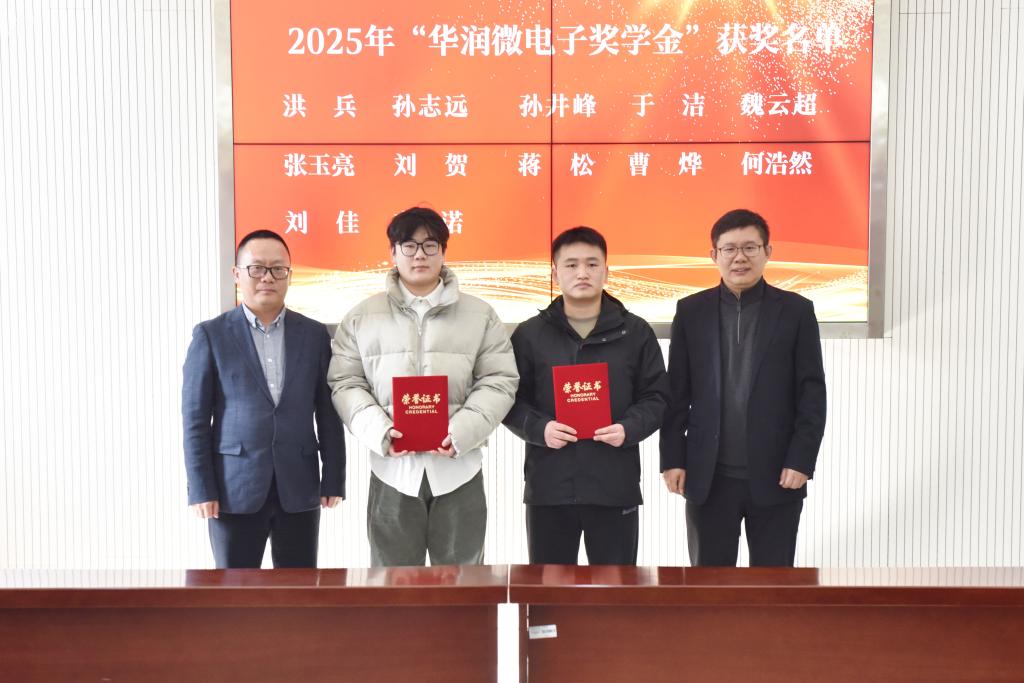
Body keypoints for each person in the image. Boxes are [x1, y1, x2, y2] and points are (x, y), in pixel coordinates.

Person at [328, 207, 518, 567]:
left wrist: (462, 432)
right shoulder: (361, 317)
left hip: (460, 470)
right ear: (392, 252)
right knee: (392, 587)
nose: (419, 255)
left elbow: (499, 379)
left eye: (430, 245)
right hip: (391, 473)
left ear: (443, 251)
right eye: (409, 245)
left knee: (463, 586)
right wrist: (379, 431)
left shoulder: (480, 315)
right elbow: (345, 381)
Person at [660, 209, 826, 567]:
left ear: (768, 252)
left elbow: (812, 394)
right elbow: (676, 393)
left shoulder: (796, 311)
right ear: (714, 255)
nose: (740, 257)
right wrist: (672, 458)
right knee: (709, 585)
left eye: (750, 247)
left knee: (773, 584)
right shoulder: (690, 312)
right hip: (709, 476)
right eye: (729, 249)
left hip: (778, 475)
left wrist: (801, 460)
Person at [503, 226, 669, 565]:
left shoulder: (635, 332)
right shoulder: (530, 335)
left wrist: (628, 429)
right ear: (555, 272)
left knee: (615, 589)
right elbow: (508, 400)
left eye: (592, 264)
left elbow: (657, 397)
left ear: (607, 271)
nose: (582, 273)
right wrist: (540, 429)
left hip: (613, 484)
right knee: (549, 589)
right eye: (571, 264)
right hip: (549, 486)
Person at [182, 229, 345, 568]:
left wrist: (333, 477)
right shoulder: (211, 335)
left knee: (299, 590)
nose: (267, 277)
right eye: (256, 268)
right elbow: (195, 420)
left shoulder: (314, 335)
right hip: (233, 488)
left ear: (289, 274)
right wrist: (201, 488)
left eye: (277, 269)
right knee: (235, 591)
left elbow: (328, 413)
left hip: (298, 485)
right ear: (237, 273)